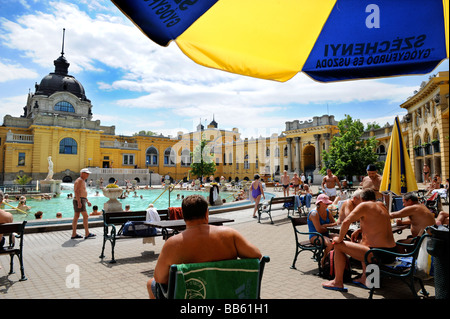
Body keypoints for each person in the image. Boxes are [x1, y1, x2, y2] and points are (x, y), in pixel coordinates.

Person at [147, 194, 262, 299]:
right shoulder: (230, 235)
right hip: (226, 293)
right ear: (207, 213)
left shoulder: (172, 244)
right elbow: (257, 255)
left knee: (150, 283)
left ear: (183, 215)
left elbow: (159, 278)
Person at [322, 188, 396, 292]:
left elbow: (346, 221)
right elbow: (380, 222)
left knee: (337, 245)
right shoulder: (381, 205)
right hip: (391, 252)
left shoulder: (364, 205)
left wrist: (339, 238)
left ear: (361, 199)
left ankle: (337, 282)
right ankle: (366, 278)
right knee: (363, 242)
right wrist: (360, 230)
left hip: (377, 254)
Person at [307, 194, 338, 265]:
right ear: (319, 203)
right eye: (325, 203)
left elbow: (335, 223)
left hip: (325, 234)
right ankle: (324, 260)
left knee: (340, 238)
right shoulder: (314, 213)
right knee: (329, 244)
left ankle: (336, 260)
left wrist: (325, 226)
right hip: (315, 236)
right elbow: (319, 230)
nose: (327, 205)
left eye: (328, 203)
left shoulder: (327, 211)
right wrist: (329, 227)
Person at [72, 168, 96, 239]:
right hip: (79, 200)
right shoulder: (79, 180)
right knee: (85, 216)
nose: (88, 175)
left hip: (81, 200)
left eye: (88, 173)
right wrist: (79, 202)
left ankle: (74, 234)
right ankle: (87, 233)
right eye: (86, 173)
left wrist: (87, 200)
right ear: (82, 173)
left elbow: (82, 192)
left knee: (76, 216)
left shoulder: (82, 180)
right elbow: (76, 191)